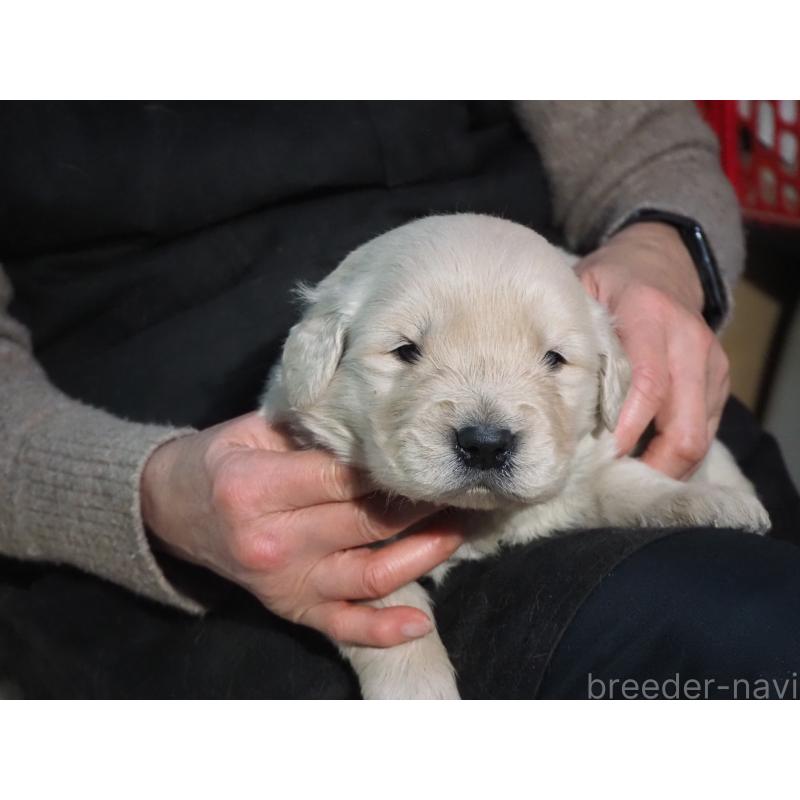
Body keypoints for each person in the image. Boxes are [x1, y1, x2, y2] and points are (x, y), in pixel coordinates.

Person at [1, 101, 798, 699]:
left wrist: (660, 250)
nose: (485, 429)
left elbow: (644, 137)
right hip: (173, 514)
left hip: (573, 349)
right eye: (406, 352)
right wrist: (141, 494)